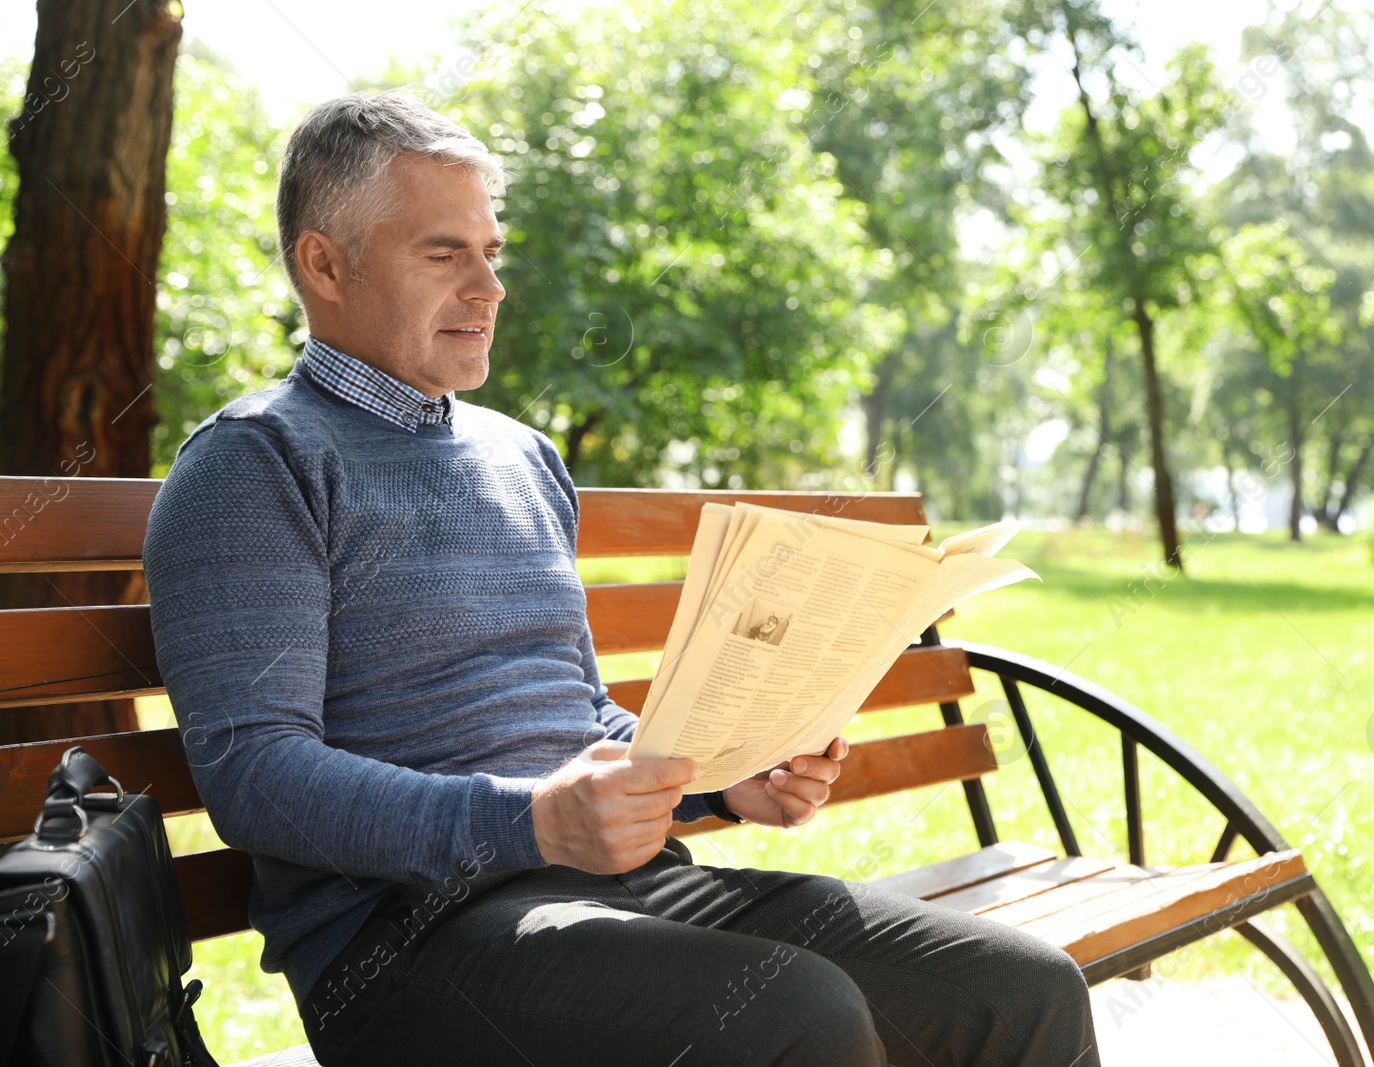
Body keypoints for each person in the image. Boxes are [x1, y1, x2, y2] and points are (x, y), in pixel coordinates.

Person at [143, 91, 1100, 1067]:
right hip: (407, 944)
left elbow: (579, 722)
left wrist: (729, 781)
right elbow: (256, 777)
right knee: (795, 1015)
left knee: (1019, 989)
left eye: (492, 251)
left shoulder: (520, 457)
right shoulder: (251, 466)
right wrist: (528, 818)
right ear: (324, 262)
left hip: (623, 887)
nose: (488, 287)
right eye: (444, 252)